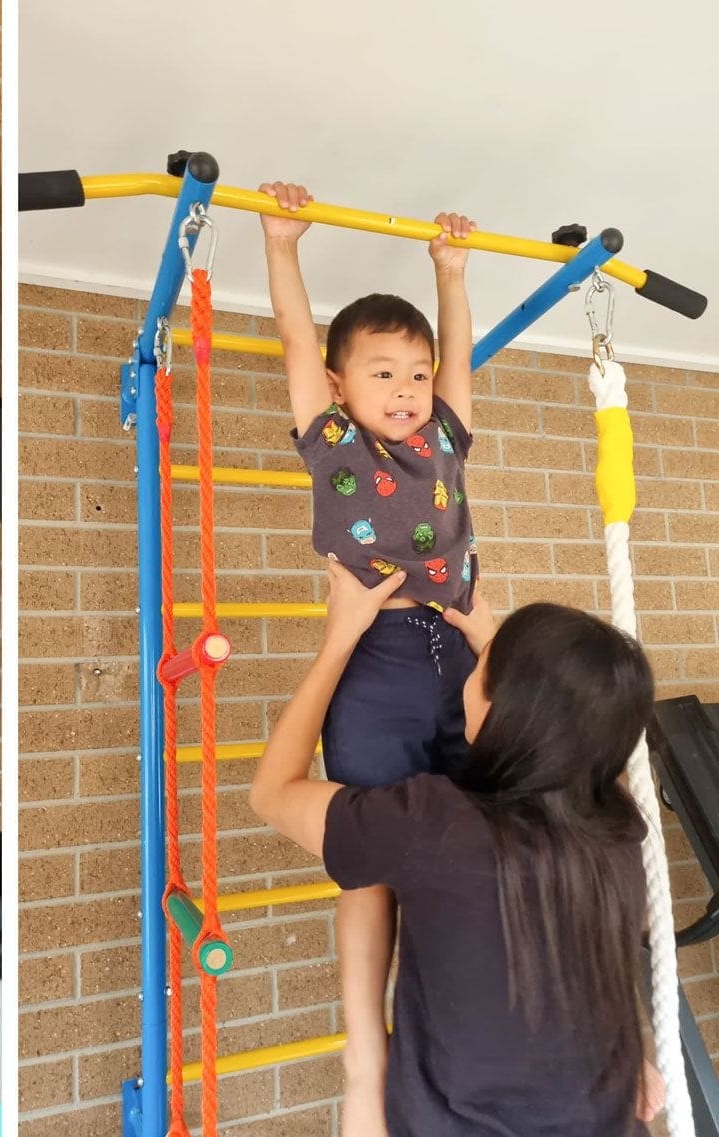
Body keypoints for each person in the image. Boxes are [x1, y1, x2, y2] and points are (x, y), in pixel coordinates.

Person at [249, 559, 665, 1136]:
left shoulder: (437, 825)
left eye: (481, 670)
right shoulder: (619, 833)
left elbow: (272, 794)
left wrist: (337, 641)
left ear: (500, 710)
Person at [259, 180, 481, 1134]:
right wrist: (282, 248)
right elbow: (298, 345)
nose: (407, 389)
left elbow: (460, 355)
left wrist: (452, 271)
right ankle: (366, 1057)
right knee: (370, 855)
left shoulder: (446, 439)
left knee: (470, 837)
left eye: (416, 373)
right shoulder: (332, 440)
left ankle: (448, 1024)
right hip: (380, 653)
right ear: (346, 390)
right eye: (383, 372)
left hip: (460, 655)